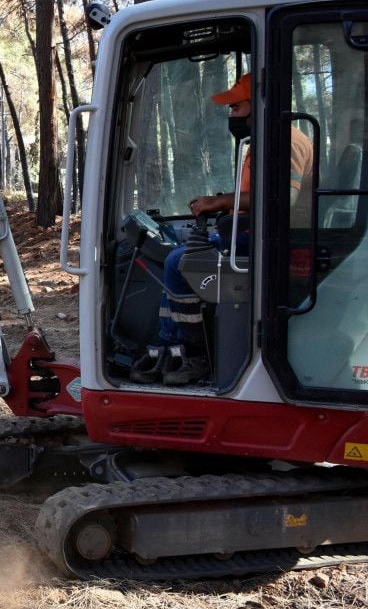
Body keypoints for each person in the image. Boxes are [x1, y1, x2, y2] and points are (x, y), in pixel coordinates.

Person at [131, 73, 313, 385]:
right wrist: (225, 202)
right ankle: (168, 347)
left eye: (236, 108)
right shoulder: (264, 142)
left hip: (268, 243)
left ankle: (196, 354)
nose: (231, 115)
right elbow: (256, 193)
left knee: (179, 263)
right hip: (249, 233)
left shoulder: (288, 142)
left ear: (259, 106)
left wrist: (223, 203)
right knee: (179, 255)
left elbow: (283, 198)